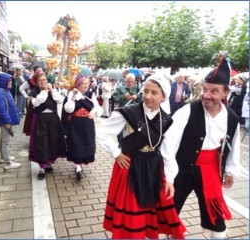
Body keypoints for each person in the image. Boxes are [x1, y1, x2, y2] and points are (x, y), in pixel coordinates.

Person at [160, 56, 241, 238]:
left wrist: (229, 172)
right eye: (204, 89)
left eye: (214, 91)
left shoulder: (232, 117)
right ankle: (170, 235)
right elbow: (169, 143)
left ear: (225, 93)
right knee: (171, 209)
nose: (206, 95)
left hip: (211, 168)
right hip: (183, 166)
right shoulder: (187, 111)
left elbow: (232, 146)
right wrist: (169, 176)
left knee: (215, 215)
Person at [97, 74, 186, 239]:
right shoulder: (128, 112)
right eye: (145, 91)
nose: (147, 96)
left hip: (153, 168)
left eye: (154, 93)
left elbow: (168, 153)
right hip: (129, 166)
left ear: (163, 97)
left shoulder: (166, 121)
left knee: (150, 209)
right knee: (131, 211)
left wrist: (170, 179)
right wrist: (116, 153)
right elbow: (102, 131)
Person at [64, 75, 103, 181]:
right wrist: (73, 97)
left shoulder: (90, 94)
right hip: (75, 124)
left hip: (87, 124)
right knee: (76, 144)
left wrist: (94, 111)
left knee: (86, 144)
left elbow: (98, 108)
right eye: (83, 83)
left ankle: (80, 165)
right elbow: (68, 109)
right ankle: (78, 168)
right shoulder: (73, 93)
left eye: (87, 83)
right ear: (78, 84)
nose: (86, 85)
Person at [29, 72, 66, 180]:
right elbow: (36, 103)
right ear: (36, 82)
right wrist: (45, 91)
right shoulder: (35, 92)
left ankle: (48, 163)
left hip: (53, 118)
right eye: (40, 81)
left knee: (52, 141)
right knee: (41, 142)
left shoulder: (53, 90)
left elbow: (59, 100)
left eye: (45, 80)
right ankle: (42, 167)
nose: (43, 82)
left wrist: (53, 90)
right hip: (41, 119)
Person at [0, 73, 21, 170]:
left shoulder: (5, 90)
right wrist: (8, 121)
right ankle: (8, 162)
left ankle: (3, 157)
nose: (10, 82)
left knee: (3, 140)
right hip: (5, 121)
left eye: (11, 81)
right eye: (8, 81)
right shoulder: (0, 92)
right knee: (6, 141)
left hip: (6, 120)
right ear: (3, 81)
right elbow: (1, 109)